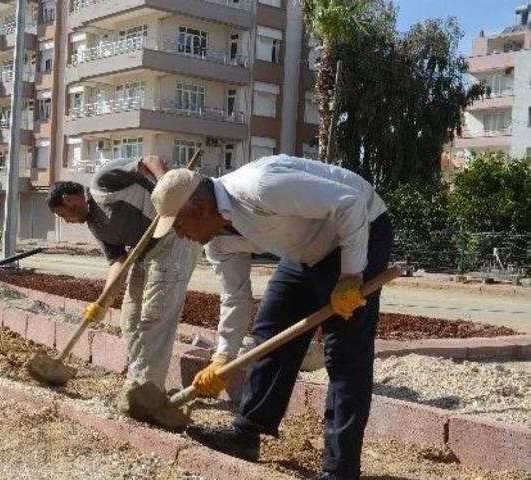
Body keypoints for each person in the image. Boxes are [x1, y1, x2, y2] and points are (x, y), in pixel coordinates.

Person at [150, 155, 392, 480]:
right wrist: (222, 357)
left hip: (356, 229)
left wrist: (350, 275)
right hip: (305, 250)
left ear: (200, 206)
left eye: (179, 225)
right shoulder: (217, 242)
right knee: (270, 332)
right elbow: (235, 297)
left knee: (344, 352)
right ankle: (246, 433)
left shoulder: (259, 186)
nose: (179, 235)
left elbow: (349, 204)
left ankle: (340, 469)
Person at [47, 156, 200, 424]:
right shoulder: (95, 225)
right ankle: (137, 381)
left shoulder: (103, 182)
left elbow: (150, 159)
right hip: (144, 253)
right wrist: (102, 302)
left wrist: (167, 188)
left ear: (70, 200)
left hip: (174, 238)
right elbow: (117, 262)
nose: (67, 221)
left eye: (63, 215)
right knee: (129, 319)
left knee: (155, 316)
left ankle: (147, 389)